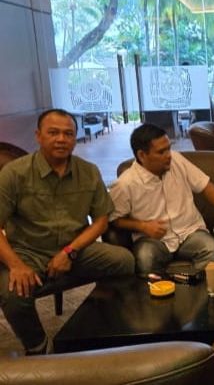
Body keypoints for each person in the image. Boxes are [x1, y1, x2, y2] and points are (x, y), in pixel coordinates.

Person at [0, 109, 134, 355]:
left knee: (124, 261)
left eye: (68, 134)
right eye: (53, 133)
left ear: (75, 138)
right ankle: (38, 346)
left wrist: (70, 252)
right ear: (38, 136)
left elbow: (101, 221)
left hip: (76, 249)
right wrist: (16, 265)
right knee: (13, 294)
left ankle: (105, 325)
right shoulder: (14, 173)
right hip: (29, 252)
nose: (61, 139)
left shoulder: (88, 171)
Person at [109, 123, 214, 277]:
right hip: (153, 240)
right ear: (142, 155)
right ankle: (158, 290)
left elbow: (205, 185)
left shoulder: (176, 160)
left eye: (169, 148)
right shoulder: (125, 184)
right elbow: (115, 219)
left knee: (212, 248)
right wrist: (143, 226)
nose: (168, 155)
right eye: (161, 152)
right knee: (145, 257)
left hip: (189, 232)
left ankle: (196, 287)